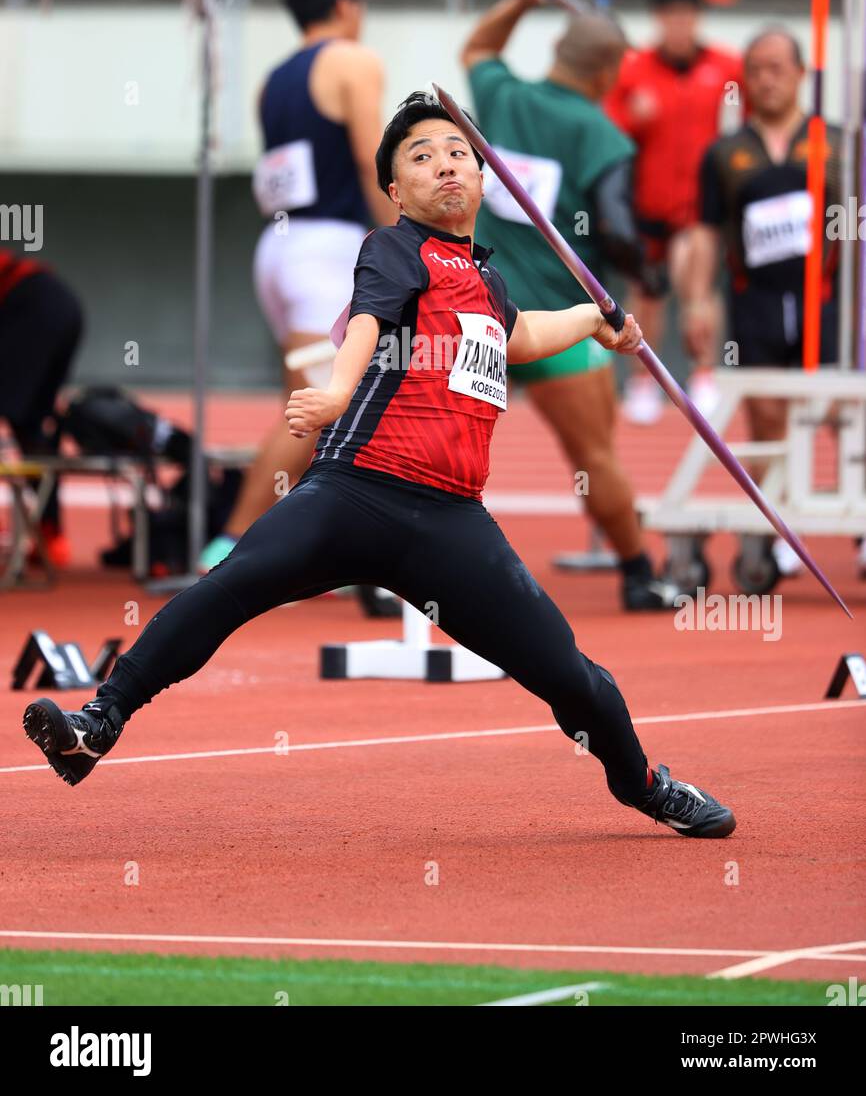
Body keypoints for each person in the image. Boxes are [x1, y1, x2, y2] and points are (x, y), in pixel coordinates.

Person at [22, 92, 735, 839]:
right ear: (397, 192)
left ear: (483, 178)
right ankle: (97, 724)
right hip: (353, 494)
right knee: (223, 590)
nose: (444, 165)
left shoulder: (487, 283)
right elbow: (368, 317)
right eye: (421, 158)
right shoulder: (394, 250)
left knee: (570, 675)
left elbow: (519, 336)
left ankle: (645, 784)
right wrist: (334, 390)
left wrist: (594, 319)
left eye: (457, 153)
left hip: (453, 523)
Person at [461, 0, 679, 612]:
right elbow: (613, 228)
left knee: (432, 446)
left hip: (477, 313)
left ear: (558, 49)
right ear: (609, 69)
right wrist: (646, 270)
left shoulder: (501, 94)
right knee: (594, 455)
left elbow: (476, 49)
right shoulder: (600, 134)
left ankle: (388, 573)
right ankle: (638, 571)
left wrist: (517, 2)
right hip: (561, 323)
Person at [198, 0, 397, 612]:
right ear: (344, 4)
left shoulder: (272, 80)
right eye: (360, 5)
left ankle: (304, 551)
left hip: (278, 249)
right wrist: (407, 243)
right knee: (318, 404)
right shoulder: (353, 61)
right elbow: (376, 160)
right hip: (327, 248)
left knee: (313, 404)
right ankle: (227, 548)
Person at [683, 26, 860, 578]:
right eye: (755, 69)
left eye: (777, 67)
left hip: (827, 300)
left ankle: (859, 531)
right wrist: (696, 299)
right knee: (766, 418)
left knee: (847, 412)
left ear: (801, 73)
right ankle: (779, 533)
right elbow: (707, 232)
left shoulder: (838, 143)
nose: (766, 79)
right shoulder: (726, 153)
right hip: (753, 301)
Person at [605, 0, 743, 423]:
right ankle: (645, 382)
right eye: (670, 16)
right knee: (647, 295)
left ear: (697, 17)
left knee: (696, 284)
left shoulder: (724, 67)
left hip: (698, 205)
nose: (679, 25)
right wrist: (635, 117)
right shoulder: (634, 70)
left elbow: (750, 112)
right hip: (647, 202)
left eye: (687, 15)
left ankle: (703, 373)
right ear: (658, 19)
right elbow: (610, 129)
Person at [0, 251, 84, 567]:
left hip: (36, 308)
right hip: (62, 308)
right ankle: (51, 534)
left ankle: (50, 534)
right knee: (32, 423)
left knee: (26, 418)